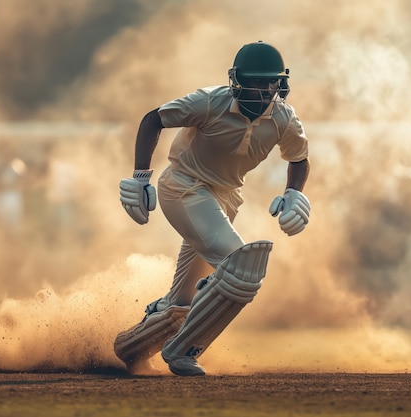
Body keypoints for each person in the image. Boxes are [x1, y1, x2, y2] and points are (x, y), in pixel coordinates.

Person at [114, 41, 311, 376]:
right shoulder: (209, 101)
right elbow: (153, 119)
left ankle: (129, 347)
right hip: (183, 186)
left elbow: (300, 159)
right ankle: (182, 352)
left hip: (224, 199)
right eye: (257, 82)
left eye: (271, 82)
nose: (265, 91)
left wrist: (293, 193)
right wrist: (140, 177)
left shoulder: (283, 117)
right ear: (237, 80)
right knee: (241, 267)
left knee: (184, 304)